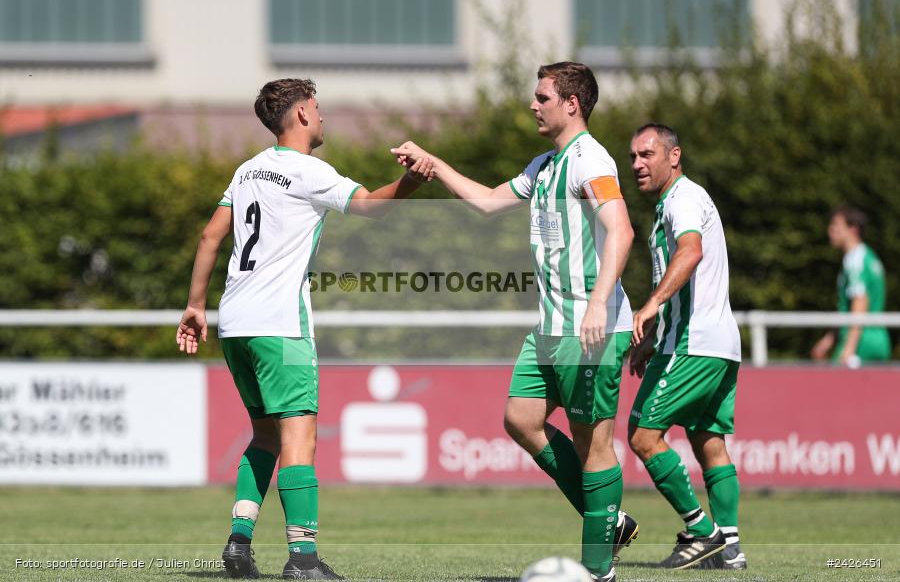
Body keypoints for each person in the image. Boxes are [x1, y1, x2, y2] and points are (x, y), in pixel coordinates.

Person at [176, 78, 433, 580]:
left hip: (236, 322)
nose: (322, 117)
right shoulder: (309, 172)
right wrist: (415, 182)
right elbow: (371, 207)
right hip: (279, 324)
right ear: (299, 116)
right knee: (299, 436)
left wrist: (193, 305)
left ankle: (238, 545)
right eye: (317, 109)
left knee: (265, 435)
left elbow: (211, 237)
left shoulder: (247, 170)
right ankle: (303, 559)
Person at [392, 62, 637, 582]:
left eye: (542, 96)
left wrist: (597, 303)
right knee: (520, 419)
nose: (533, 104)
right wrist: (432, 164)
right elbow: (486, 202)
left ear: (572, 103)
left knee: (593, 442)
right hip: (550, 327)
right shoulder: (547, 164)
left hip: (588, 328)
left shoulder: (590, 159)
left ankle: (598, 569)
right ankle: (608, 521)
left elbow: (622, 229)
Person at [627, 123, 744, 570]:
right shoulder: (669, 205)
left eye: (648, 154)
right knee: (708, 441)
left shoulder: (684, 198)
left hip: (694, 343)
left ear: (674, 156)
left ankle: (701, 531)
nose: (637, 163)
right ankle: (729, 550)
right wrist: (653, 338)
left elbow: (690, 252)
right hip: (716, 343)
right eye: (634, 156)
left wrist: (652, 304)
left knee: (642, 437)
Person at [811, 206, 891, 366]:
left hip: (861, 341)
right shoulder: (869, 256)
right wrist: (829, 339)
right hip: (878, 339)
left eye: (836, 225)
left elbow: (860, 304)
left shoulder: (855, 260)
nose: (830, 230)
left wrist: (849, 349)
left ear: (853, 229)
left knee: (831, 388)